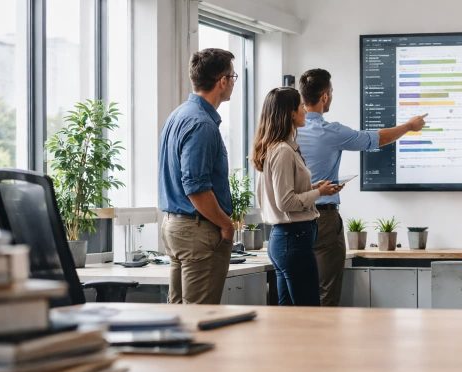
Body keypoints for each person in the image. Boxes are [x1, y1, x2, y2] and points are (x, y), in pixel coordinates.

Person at [296, 68, 427, 306]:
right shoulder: (330, 131)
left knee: (298, 291)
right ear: (325, 96)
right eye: (332, 92)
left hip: (291, 220)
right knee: (327, 291)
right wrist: (409, 126)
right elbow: (376, 139)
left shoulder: (286, 130)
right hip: (322, 220)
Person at [158, 48, 237, 304]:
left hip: (176, 226)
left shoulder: (177, 116)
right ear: (222, 81)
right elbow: (196, 187)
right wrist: (226, 224)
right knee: (200, 317)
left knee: (180, 314)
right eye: (233, 76)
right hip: (197, 230)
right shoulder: (202, 124)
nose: (233, 83)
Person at [252, 87, 341, 306]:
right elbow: (286, 202)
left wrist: (312, 187)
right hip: (293, 239)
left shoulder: (277, 148)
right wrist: (319, 192)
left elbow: (284, 192)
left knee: (289, 315)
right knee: (308, 312)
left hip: (288, 239)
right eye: (301, 106)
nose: (305, 110)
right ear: (291, 113)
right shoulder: (282, 151)